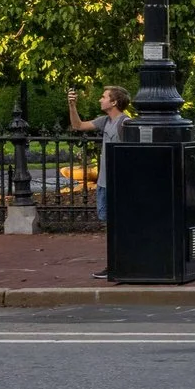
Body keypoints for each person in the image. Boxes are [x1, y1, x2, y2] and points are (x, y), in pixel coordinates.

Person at [68, 86, 132, 281]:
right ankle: (116, 263)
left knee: (119, 224)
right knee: (109, 222)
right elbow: (78, 126)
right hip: (104, 182)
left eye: (104, 97)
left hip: (118, 183)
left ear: (114, 102)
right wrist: (72, 105)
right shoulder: (105, 121)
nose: (100, 99)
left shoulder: (125, 123)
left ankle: (120, 264)